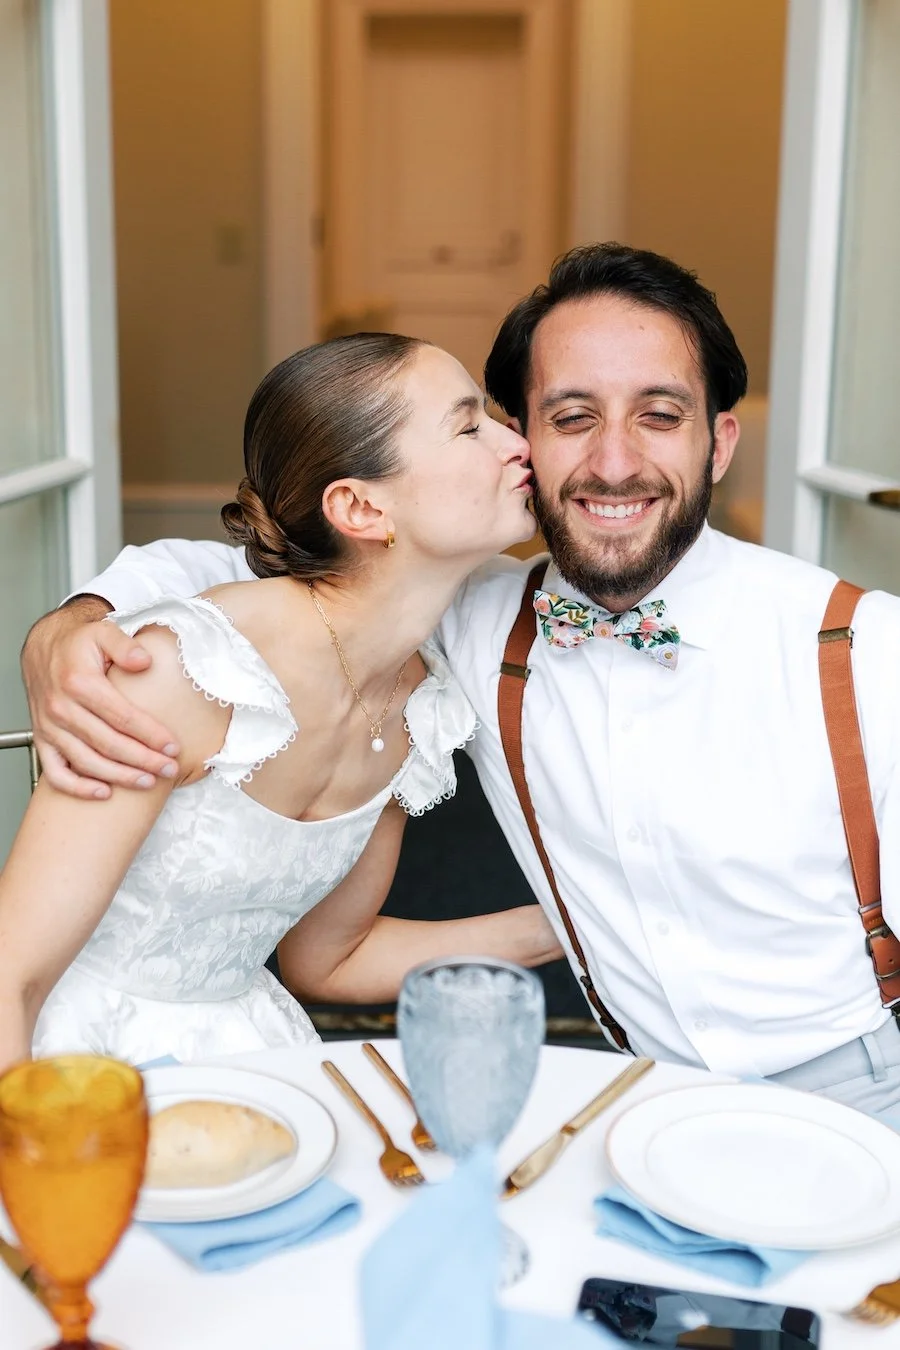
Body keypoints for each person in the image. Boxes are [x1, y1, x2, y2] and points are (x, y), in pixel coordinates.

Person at [23, 244, 900, 1113]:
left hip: (864, 1084)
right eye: (567, 418)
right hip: (632, 1091)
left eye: (661, 416)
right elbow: (244, 569)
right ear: (527, 440)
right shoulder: (464, 619)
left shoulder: (861, 649)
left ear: (719, 444)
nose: (614, 463)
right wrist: (73, 623)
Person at [0, 332, 562, 1074]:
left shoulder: (413, 707)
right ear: (360, 508)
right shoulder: (181, 672)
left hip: (249, 1052)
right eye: (468, 426)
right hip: (71, 1061)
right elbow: (13, 976)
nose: (514, 440)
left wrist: (572, 922)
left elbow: (331, 960)